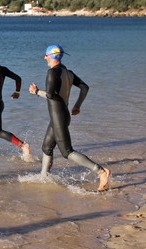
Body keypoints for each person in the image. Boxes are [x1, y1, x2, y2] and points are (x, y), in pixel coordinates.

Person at [28, 45, 111, 191]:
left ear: (50, 57)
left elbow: (50, 95)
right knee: (46, 147)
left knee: (67, 152)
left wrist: (36, 92)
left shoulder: (52, 72)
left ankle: (101, 172)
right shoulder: (68, 73)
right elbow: (85, 87)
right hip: (62, 115)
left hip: (58, 117)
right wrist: (77, 106)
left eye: (46, 56)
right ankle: (43, 178)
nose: (44, 58)